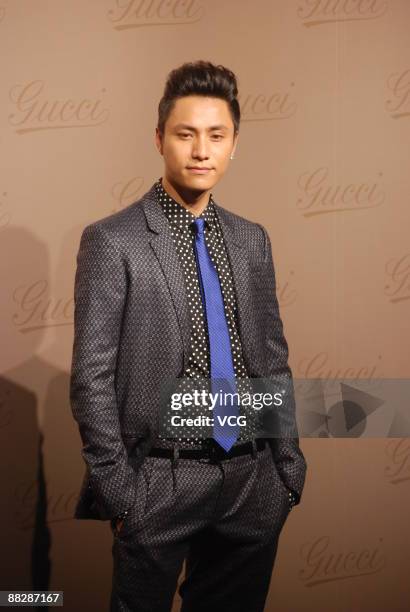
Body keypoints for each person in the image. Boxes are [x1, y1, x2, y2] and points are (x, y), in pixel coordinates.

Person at [69, 60, 307, 612]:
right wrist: (123, 494)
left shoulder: (252, 240)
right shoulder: (113, 241)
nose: (201, 150)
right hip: (160, 478)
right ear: (159, 139)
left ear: (233, 145)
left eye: (216, 136)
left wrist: (286, 469)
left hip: (252, 480)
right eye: (186, 134)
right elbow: (91, 378)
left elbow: (272, 359)